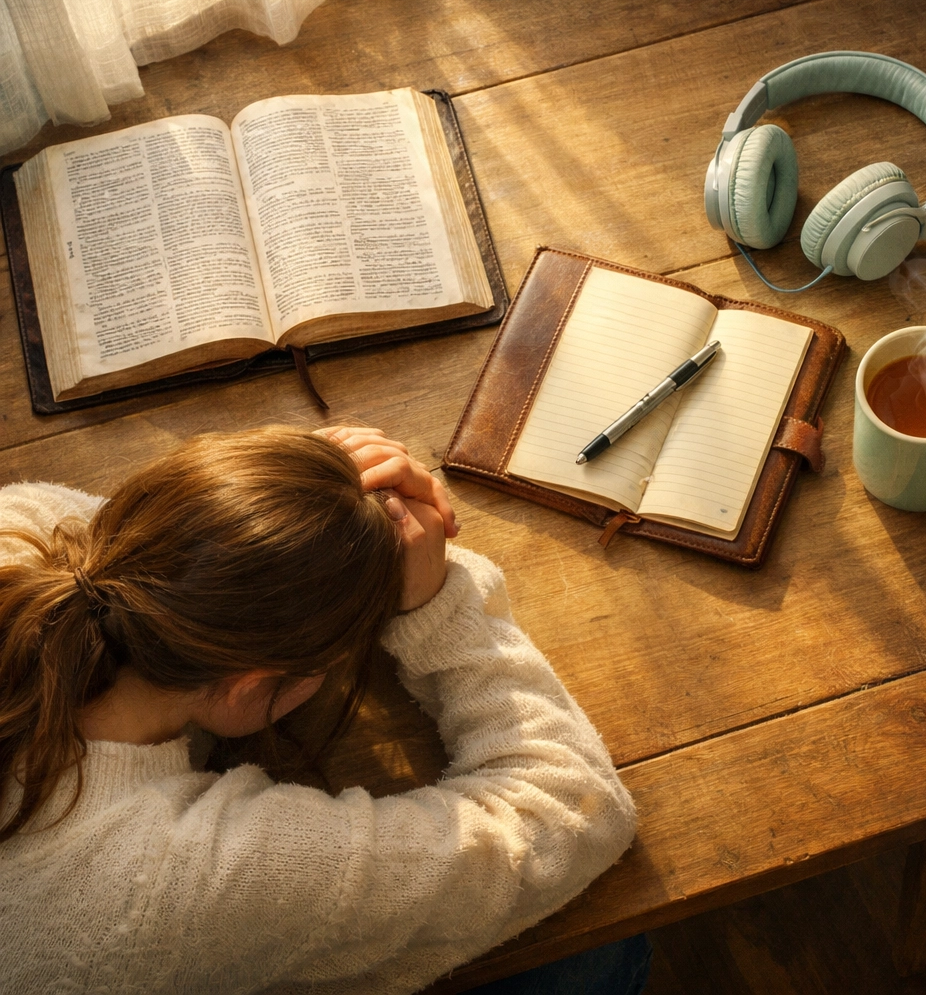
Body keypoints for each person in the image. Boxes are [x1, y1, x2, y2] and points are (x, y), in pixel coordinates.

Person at [0, 425, 648, 994]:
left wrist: (291, 485)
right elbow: (573, 812)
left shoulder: (21, 528)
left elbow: (167, 550)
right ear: (250, 686)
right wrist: (435, 602)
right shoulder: (203, 873)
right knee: (603, 950)